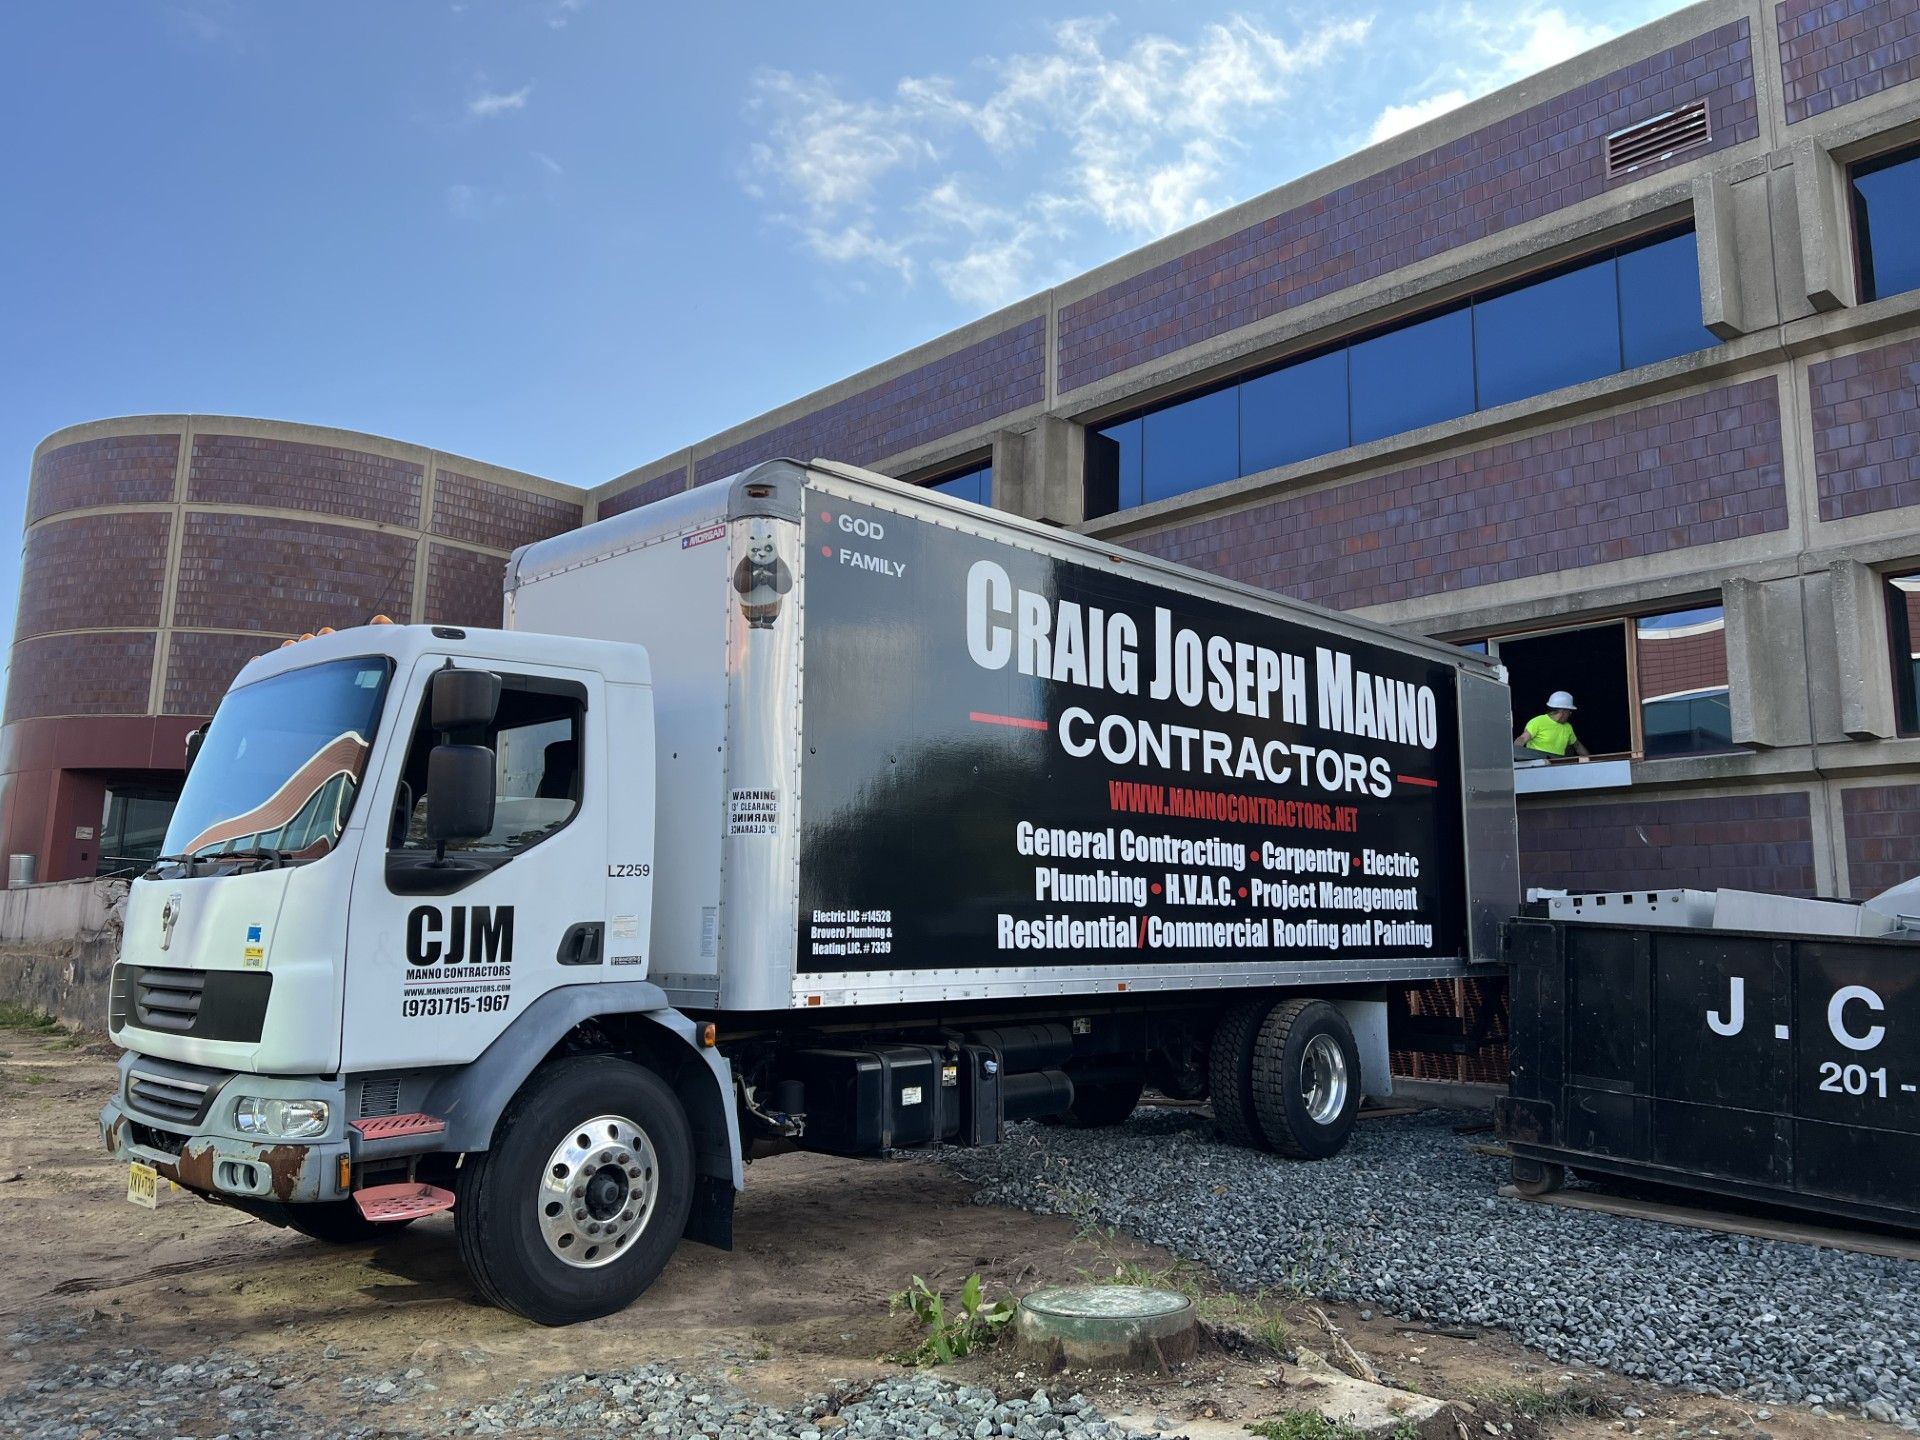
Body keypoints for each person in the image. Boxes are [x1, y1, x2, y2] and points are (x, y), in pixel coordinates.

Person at [1515, 690, 1590, 760]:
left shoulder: (1568, 727)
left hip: (1556, 766)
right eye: (1569, 711)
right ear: (1562, 711)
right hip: (1537, 765)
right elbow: (1522, 739)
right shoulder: (1538, 721)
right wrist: (1515, 755)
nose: (1570, 714)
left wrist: (1590, 760)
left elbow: (1577, 746)